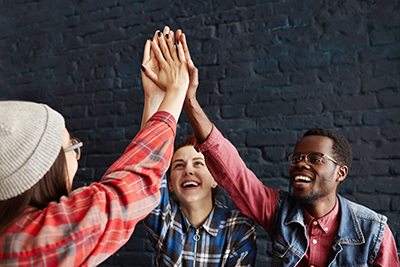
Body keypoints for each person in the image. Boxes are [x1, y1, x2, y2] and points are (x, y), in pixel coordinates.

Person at [177, 35, 400, 266]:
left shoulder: (374, 232)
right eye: (297, 158)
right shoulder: (279, 212)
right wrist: (189, 101)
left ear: (340, 172)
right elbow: (233, 172)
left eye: (316, 159)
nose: (301, 164)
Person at [0, 27, 189, 266]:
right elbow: (126, 190)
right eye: (71, 147)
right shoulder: (25, 242)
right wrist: (177, 89)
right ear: (46, 167)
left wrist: (155, 99)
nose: (77, 157)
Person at [140, 26, 257, 267]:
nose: (188, 170)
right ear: (170, 184)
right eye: (178, 165)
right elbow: (147, 169)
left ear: (215, 178)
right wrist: (153, 96)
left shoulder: (239, 228)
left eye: (198, 163)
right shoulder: (165, 220)